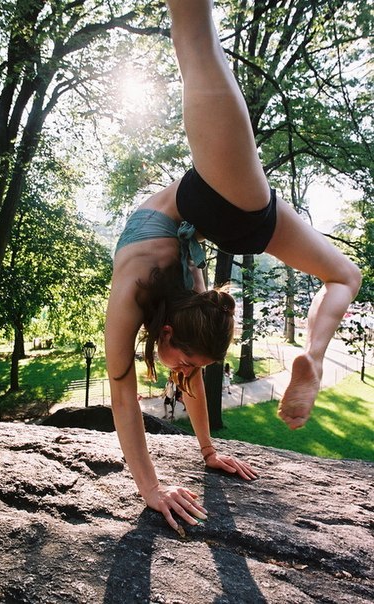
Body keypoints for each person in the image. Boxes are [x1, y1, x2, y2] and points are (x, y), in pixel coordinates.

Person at [105, 0, 361, 531]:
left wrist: (199, 458)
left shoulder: (161, 291)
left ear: (169, 330)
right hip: (233, 203)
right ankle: (310, 353)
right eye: (187, 365)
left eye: (183, 366)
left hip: (232, 205)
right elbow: (129, 393)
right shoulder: (177, 291)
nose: (181, 374)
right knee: (345, 276)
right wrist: (161, 481)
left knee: (346, 275)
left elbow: (123, 392)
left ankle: (313, 354)